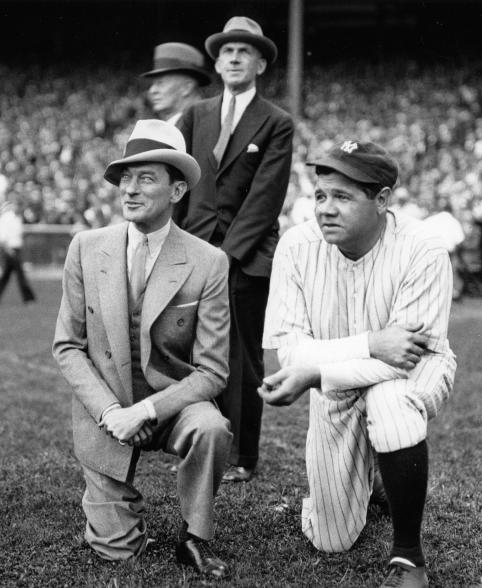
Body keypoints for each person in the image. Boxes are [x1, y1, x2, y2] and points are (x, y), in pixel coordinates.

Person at [260, 140, 457, 588]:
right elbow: (289, 355)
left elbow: (404, 357)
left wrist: (319, 371)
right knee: (330, 538)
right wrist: (370, 343)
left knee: (390, 403)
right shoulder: (296, 246)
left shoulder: (424, 248)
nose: (326, 209)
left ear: (382, 200)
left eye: (343, 197)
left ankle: (409, 557)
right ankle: (379, 476)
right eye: (321, 195)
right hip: (338, 381)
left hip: (413, 372)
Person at [52, 120, 233, 579]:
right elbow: (67, 346)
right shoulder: (86, 248)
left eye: (145, 178)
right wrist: (112, 411)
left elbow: (213, 372)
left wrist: (147, 410)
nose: (129, 190)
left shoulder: (208, 261)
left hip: (169, 404)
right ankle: (115, 506)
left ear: (176, 192)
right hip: (105, 413)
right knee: (117, 553)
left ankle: (195, 537)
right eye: (124, 179)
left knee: (211, 427)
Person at [178, 16, 294, 482]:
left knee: (242, 356)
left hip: (245, 258)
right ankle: (200, 441)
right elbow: (181, 185)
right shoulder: (196, 115)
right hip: (194, 249)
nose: (234, 57)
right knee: (193, 350)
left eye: (244, 51)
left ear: (260, 63)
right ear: (216, 60)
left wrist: (226, 255)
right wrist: (182, 245)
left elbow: (266, 199)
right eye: (227, 51)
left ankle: (243, 456)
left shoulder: (277, 122)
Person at [141, 43, 212, 126]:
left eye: (161, 83)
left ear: (187, 87)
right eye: (153, 84)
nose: (152, 90)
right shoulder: (177, 125)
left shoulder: (205, 124)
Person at [0, 196, 36, 304]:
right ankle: (29, 298)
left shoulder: (18, 218)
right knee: (20, 275)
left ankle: (29, 298)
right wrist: (9, 250)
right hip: (10, 250)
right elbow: (2, 238)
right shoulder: (6, 218)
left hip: (16, 249)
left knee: (6, 276)